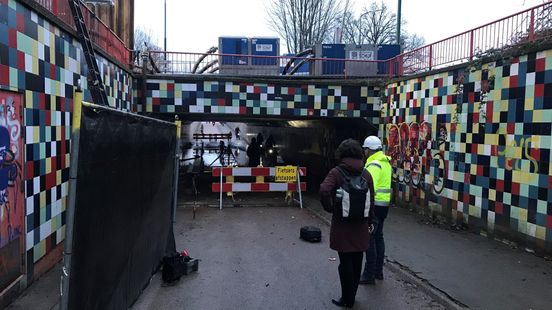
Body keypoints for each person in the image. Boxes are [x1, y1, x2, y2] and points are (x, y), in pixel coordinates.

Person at [320, 139, 376, 308]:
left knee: (345, 262)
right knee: (358, 260)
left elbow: (324, 190)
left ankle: (347, 299)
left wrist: (330, 208)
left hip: (342, 226)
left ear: (342, 154)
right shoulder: (366, 174)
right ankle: (352, 295)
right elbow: (371, 199)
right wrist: (370, 220)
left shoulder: (337, 173)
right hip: (361, 225)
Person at [360, 136, 392, 285]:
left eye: (365, 149)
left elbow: (368, 186)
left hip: (374, 206)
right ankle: (378, 271)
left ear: (369, 149)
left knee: (370, 239)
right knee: (379, 237)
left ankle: (369, 274)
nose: (364, 151)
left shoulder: (373, 164)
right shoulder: (385, 162)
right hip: (383, 205)